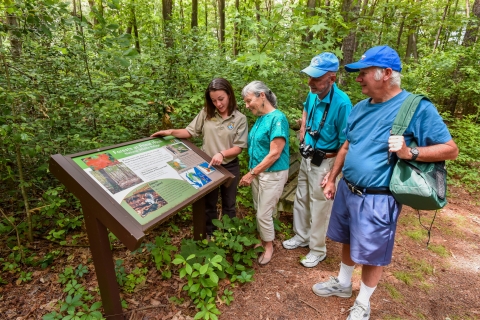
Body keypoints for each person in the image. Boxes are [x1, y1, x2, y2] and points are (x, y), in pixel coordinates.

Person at [312, 46, 458, 320]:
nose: (358, 79)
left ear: (387, 74)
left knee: (371, 253)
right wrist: (332, 178)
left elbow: (450, 149)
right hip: (348, 188)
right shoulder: (359, 108)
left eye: (364, 73)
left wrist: (410, 152)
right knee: (346, 239)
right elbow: (346, 145)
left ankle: (363, 302)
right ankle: (343, 285)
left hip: (378, 197)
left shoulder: (416, 108)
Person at [151, 78, 248, 236]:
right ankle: (209, 235)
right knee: (208, 203)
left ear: (229, 95)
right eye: (214, 100)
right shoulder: (206, 113)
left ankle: (228, 235)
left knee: (229, 203)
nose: (218, 104)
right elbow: (190, 131)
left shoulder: (240, 119)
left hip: (229, 165)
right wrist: (170, 132)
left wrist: (222, 153)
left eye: (221, 99)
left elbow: (239, 147)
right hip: (207, 165)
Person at [282, 52, 352, 267]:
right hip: (306, 156)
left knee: (321, 206)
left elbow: (345, 144)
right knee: (301, 197)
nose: (310, 82)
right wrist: (303, 127)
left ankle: (318, 249)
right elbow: (305, 107)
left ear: (332, 78)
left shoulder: (342, 104)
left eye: (316, 78)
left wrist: (333, 176)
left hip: (325, 162)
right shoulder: (312, 92)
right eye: (310, 77)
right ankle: (301, 236)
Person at [238, 81, 290, 265]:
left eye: (248, 100)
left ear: (262, 96)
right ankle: (263, 239)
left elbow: (275, 152)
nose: (246, 105)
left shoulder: (278, 118)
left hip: (273, 173)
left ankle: (268, 245)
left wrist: (252, 173)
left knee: (263, 213)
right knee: (260, 207)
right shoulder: (261, 118)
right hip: (259, 173)